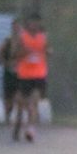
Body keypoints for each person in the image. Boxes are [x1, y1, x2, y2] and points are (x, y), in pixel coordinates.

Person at [12, 12, 50, 142]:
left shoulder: (43, 37)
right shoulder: (22, 37)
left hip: (39, 75)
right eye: (32, 22)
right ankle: (18, 124)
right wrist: (23, 52)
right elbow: (14, 54)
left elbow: (49, 50)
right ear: (28, 24)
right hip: (25, 75)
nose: (34, 25)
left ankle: (31, 129)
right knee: (21, 104)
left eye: (36, 22)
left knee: (33, 103)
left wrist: (48, 52)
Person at [0, 18, 22, 120]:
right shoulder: (7, 42)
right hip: (9, 75)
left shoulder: (24, 43)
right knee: (9, 102)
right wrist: (7, 63)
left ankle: (18, 120)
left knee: (19, 98)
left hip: (21, 75)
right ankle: (7, 117)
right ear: (12, 28)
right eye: (14, 27)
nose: (16, 29)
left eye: (18, 27)